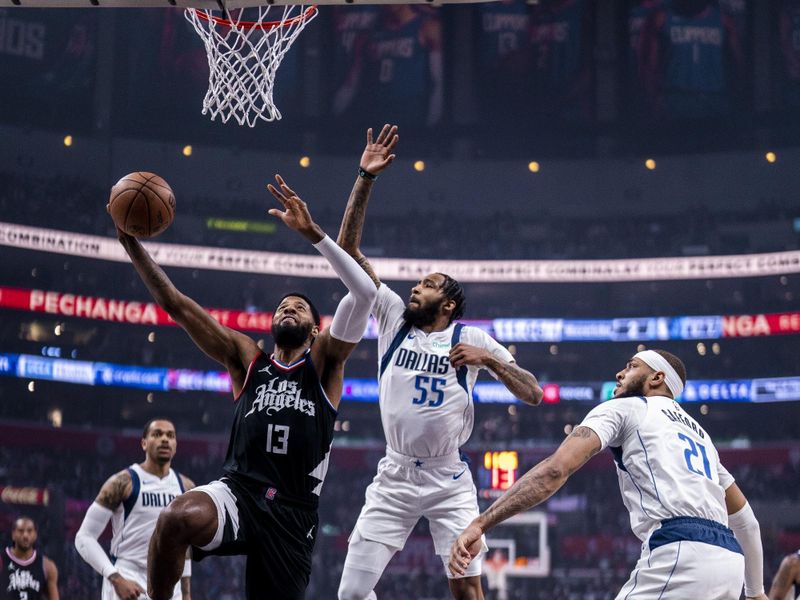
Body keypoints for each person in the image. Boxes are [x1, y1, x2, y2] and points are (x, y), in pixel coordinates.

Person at [112, 175, 377, 600]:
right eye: (282, 307)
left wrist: (316, 233)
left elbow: (363, 296)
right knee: (175, 517)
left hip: (293, 511)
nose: (288, 309)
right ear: (271, 324)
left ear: (314, 330)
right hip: (239, 492)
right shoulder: (248, 358)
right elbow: (176, 305)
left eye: (299, 308)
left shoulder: (325, 363)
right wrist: (130, 245)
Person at [335, 125, 544, 600]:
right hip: (394, 473)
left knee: (467, 590)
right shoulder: (393, 318)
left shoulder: (471, 338)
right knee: (349, 594)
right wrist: (364, 178)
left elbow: (532, 393)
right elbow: (348, 252)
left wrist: (490, 361)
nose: (415, 287)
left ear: (448, 303)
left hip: (449, 478)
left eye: (427, 285)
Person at [450, 349, 769, 600]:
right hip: (729, 562)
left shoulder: (627, 408)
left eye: (631, 366)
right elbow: (745, 521)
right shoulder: (702, 436)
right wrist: (755, 592)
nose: (620, 372)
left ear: (657, 377)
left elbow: (555, 470)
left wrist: (480, 523)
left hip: (682, 551)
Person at [75, 418, 194, 600]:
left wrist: (186, 594)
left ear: (176, 445)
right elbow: (84, 537)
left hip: (170, 585)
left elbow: (184, 546)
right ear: (144, 443)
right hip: (128, 578)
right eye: (157, 434)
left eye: (170, 435)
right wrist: (116, 578)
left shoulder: (186, 487)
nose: (164, 439)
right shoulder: (122, 482)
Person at [0, 516, 59, 600]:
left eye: (29, 531)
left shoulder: (47, 566)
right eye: (21, 531)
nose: (25, 535)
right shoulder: (2, 560)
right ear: (13, 534)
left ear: (35, 535)